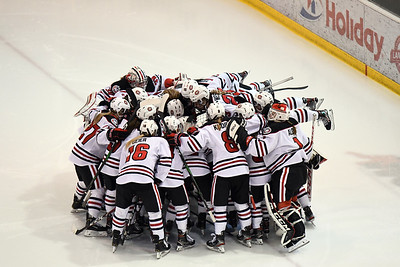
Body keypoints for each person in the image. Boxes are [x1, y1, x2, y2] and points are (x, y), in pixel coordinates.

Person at [172, 102, 252, 253]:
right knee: (242, 203)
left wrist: (180, 137)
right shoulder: (234, 122)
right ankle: (246, 234)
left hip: (223, 171)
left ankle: (219, 239)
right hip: (242, 168)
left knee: (219, 206)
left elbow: (192, 146)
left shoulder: (207, 129)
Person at [69, 97, 131, 237]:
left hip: (78, 153)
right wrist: (111, 134)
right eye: (123, 112)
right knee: (98, 190)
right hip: (87, 158)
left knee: (85, 182)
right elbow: (100, 138)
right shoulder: (111, 121)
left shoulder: (102, 115)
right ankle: (91, 223)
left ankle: (77, 202)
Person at [112, 119, 172, 259]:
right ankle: (160, 243)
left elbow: (121, 163)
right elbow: (166, 160)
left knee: (121, 211)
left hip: (123, 179)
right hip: (144, 178)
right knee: (155, 212)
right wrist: (159, 178)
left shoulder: (130, 142)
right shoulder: (159, 140)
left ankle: (116, 237)